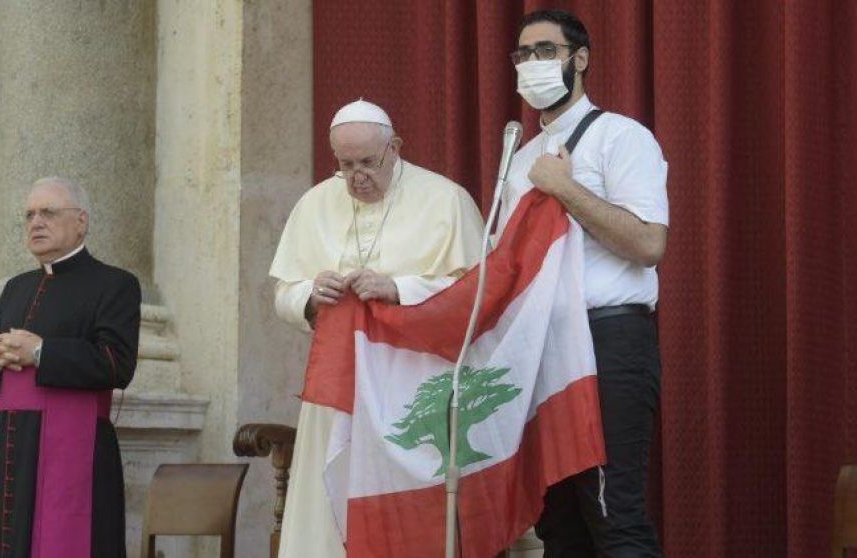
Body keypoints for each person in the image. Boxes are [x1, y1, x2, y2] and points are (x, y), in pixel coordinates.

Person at [270, 99, 485, 557]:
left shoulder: (445, 199)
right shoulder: (314, 204)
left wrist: (399, 288)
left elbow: (475, 294)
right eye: (345, 165)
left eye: (368, 162)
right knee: (328, 508)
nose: (356, 177)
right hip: (336, 388)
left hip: (412, 386)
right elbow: (282, 292)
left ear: (395, 148)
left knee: (404, 515)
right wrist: (311, 293)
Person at [500, 10, 669, 557]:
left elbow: (648, 244)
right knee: (560, 526)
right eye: (522, 55)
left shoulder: (621, 137)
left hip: (606, 342)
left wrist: (565, 190)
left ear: (581, 58)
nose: (532, 65)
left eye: (545, 51)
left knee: (611, 516)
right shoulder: (521, 157)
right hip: (542, 348)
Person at [0, 177, 140, 557]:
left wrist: (42, 353)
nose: (36, 222)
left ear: (81, 221)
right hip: (14, 442)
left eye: (48, 212)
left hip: (74, 447)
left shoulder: (115, 284)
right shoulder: (15, 287)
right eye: (29, 214)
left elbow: (117, 364)